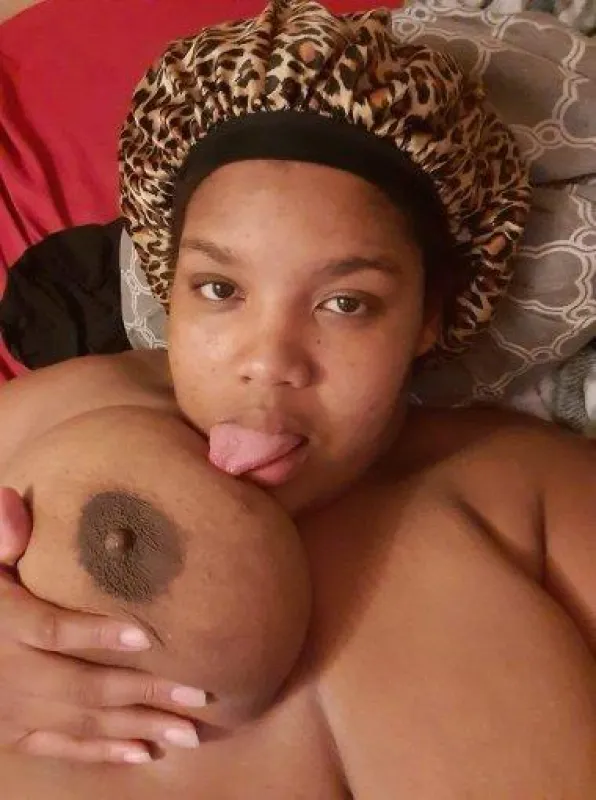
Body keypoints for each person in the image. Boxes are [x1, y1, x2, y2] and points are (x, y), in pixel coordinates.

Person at [0, 0, 595, 792]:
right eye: (219, 289)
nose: (269, 362)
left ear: (429, 318)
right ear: (168, 287)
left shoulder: (529, 492)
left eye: (345, 303)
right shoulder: (58, 415)